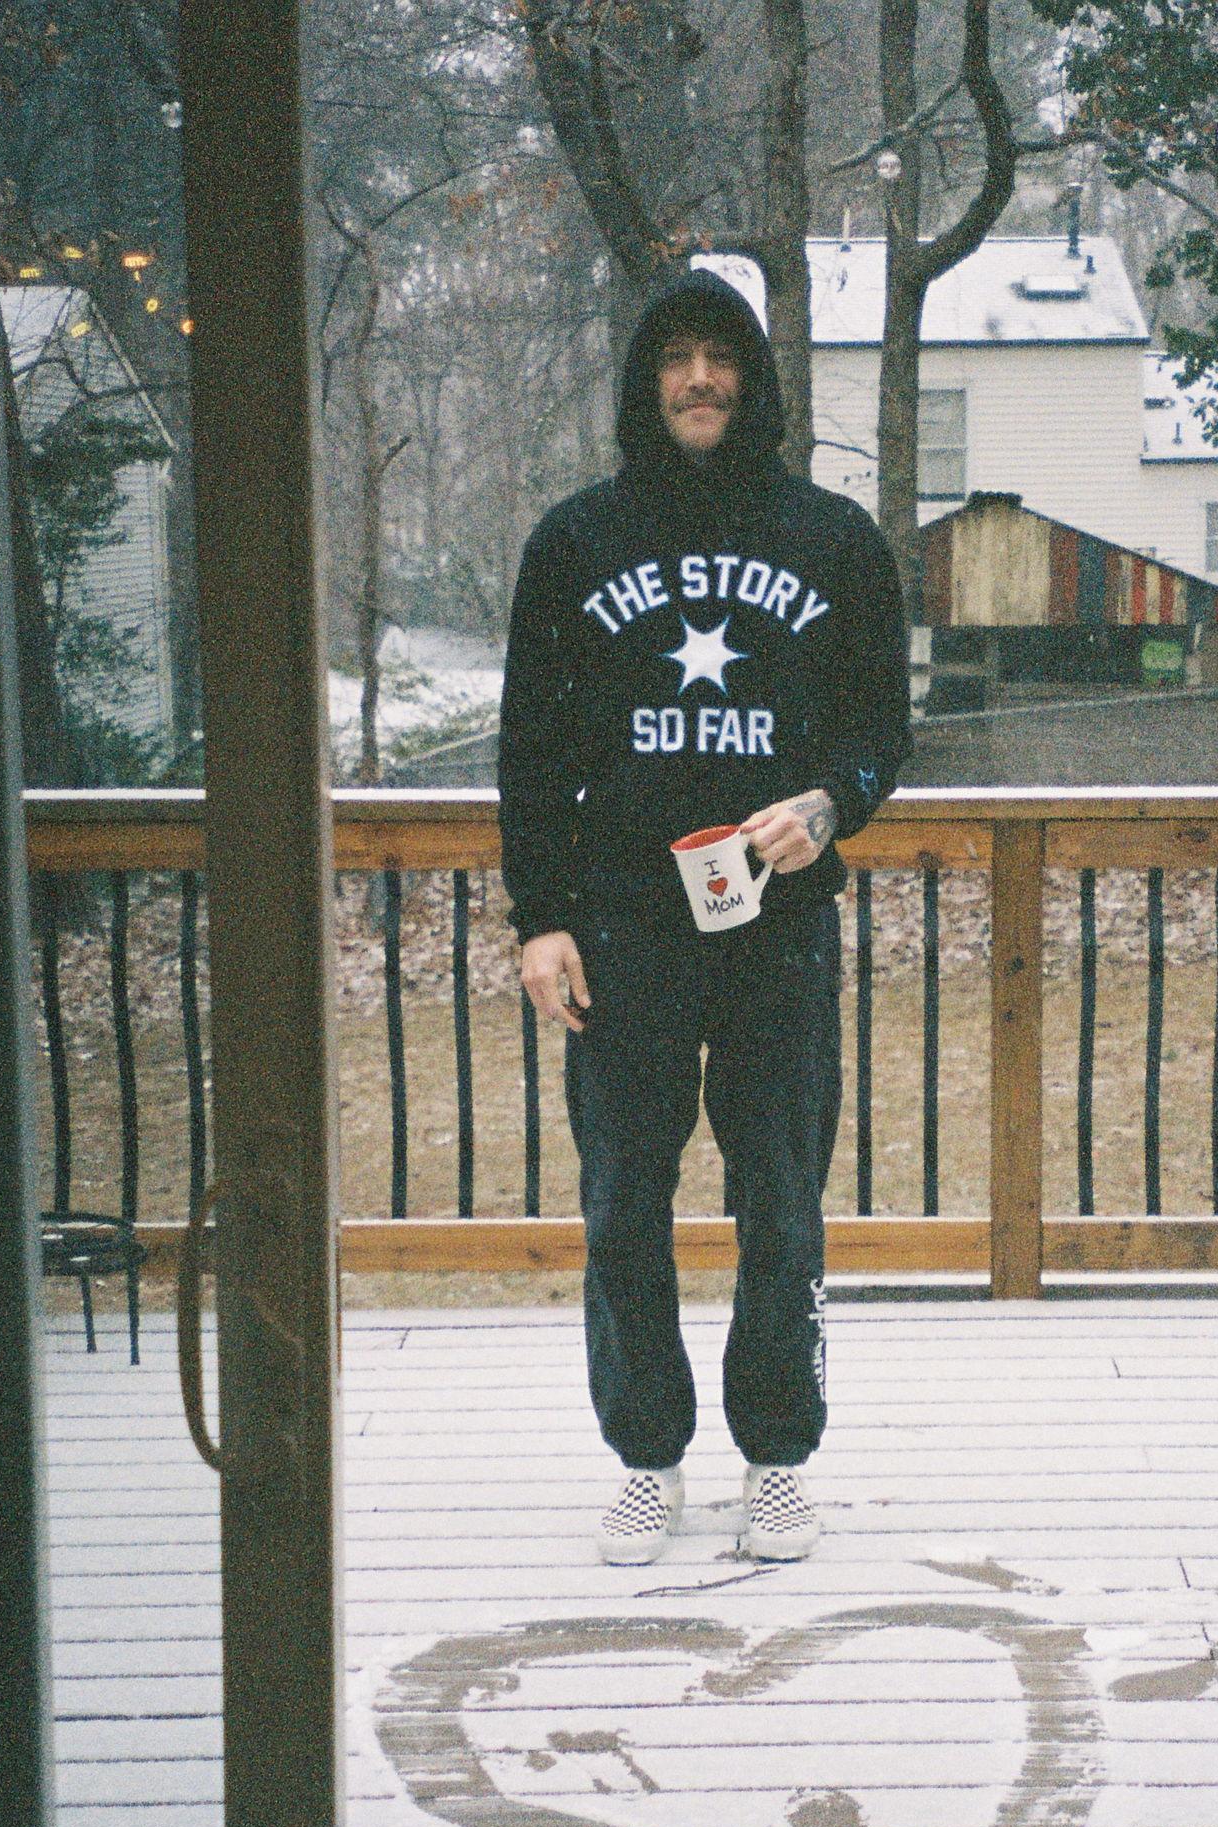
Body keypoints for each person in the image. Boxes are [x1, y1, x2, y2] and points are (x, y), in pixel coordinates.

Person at [498, 267, 911, 1565]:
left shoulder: (834, 540)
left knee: (781, 1200)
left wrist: (832, 804)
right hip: (621, 930)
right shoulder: (576, 542)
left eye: (721, 356)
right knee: (625, 1199)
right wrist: (540, 917)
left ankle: (777, 1455)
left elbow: (882, 731)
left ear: (756, 378)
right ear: (645, 378)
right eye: (676, 356)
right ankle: (647, 1458)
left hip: (776, 929)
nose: (699, 380)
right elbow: (530, 750)